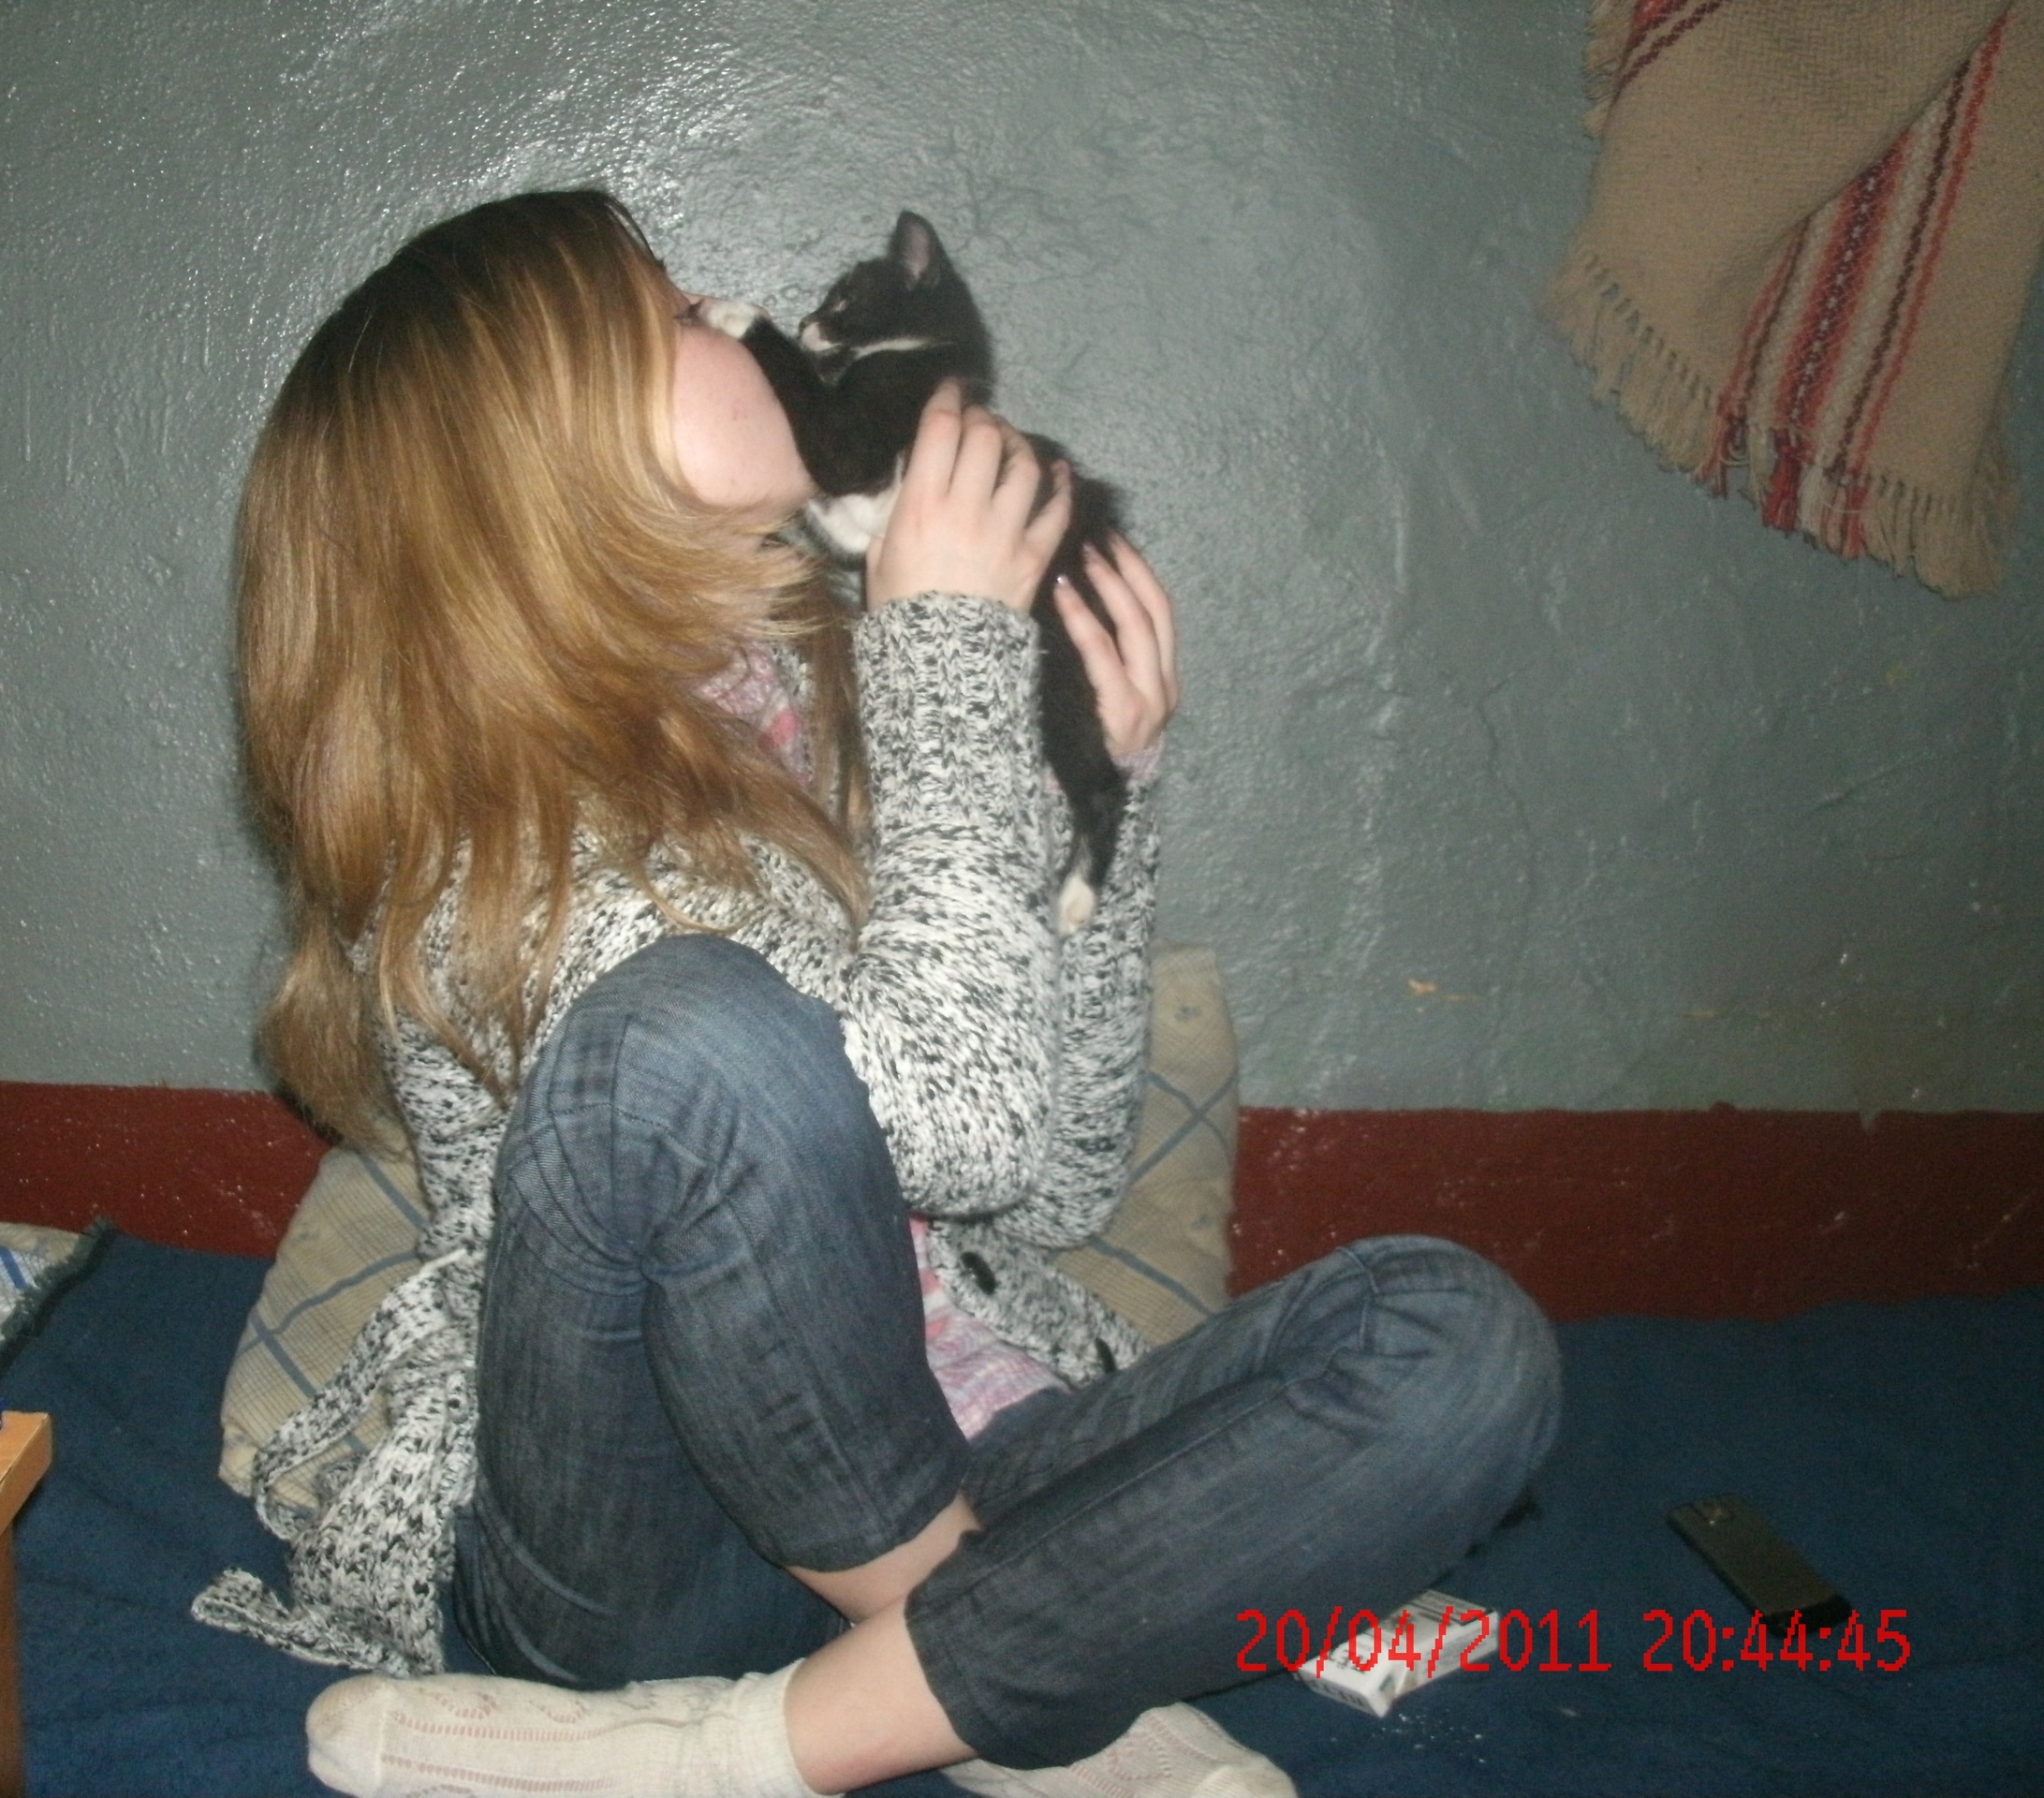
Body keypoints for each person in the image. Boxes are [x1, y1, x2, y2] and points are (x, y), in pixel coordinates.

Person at [200, 189, 1562, 1798]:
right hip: (635, 1540)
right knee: (691, 1037)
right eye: (678, 317)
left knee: (1458, 1344)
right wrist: (949, 654)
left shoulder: (816, 702)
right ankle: (1024, 1671)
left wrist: (1103, 797)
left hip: (948, 1440)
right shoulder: (482, 847)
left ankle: (760, 1741)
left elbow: (1042, 1189)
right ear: (539, 460)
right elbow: (944, 1119)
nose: (736, 315)